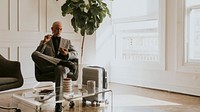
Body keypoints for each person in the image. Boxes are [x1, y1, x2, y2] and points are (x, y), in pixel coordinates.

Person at [31, 21, 78, 112]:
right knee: (34, 54)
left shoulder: (67, 42)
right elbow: (38, 54)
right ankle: (61, 62)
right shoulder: (45, 41)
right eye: (56, 28)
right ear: (52, 29)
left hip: (62, 68)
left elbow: (75, 54)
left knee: (60, 69)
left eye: (60, 29)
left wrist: (67, 54)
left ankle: (58, 104)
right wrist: (44, 43)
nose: (59, 30)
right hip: (49, 67)